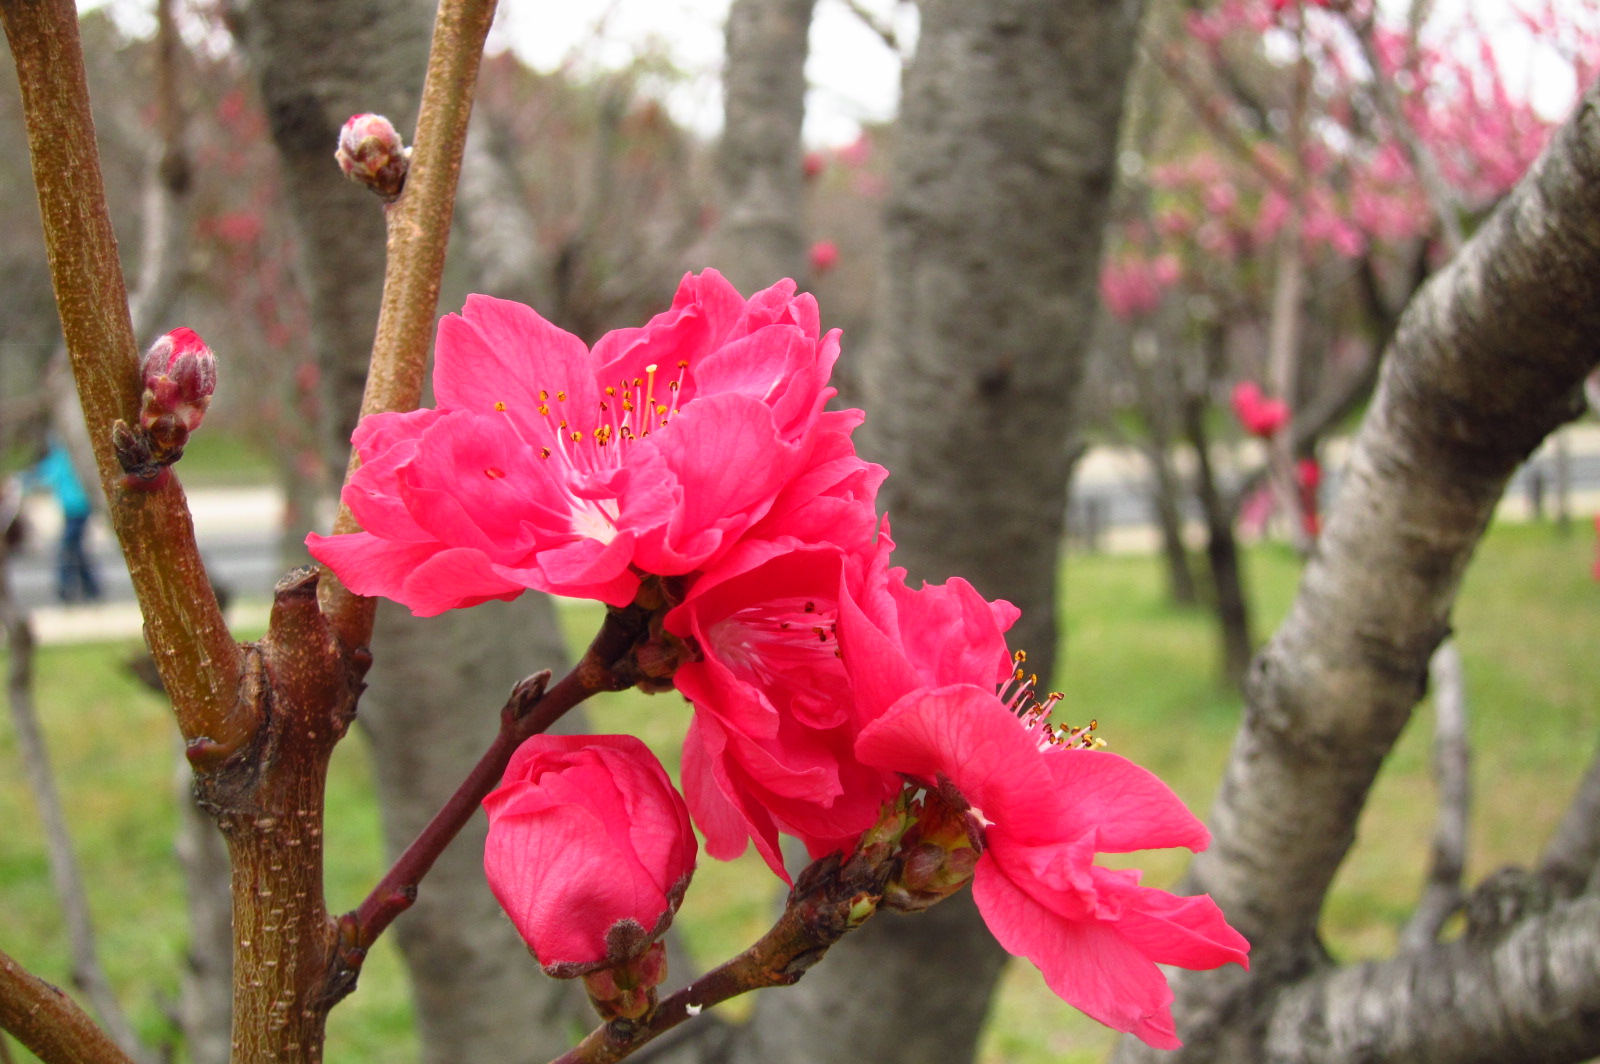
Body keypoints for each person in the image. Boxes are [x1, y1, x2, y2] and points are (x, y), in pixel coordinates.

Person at [24, 439, 101, 603]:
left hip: (75, 510)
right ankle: (91, 588)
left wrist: (22, 481)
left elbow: (42, 476)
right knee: (77, 550)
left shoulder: (61, 459)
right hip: (78, 509)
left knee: (66, 549)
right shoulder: (73, 458)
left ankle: (66, 588)